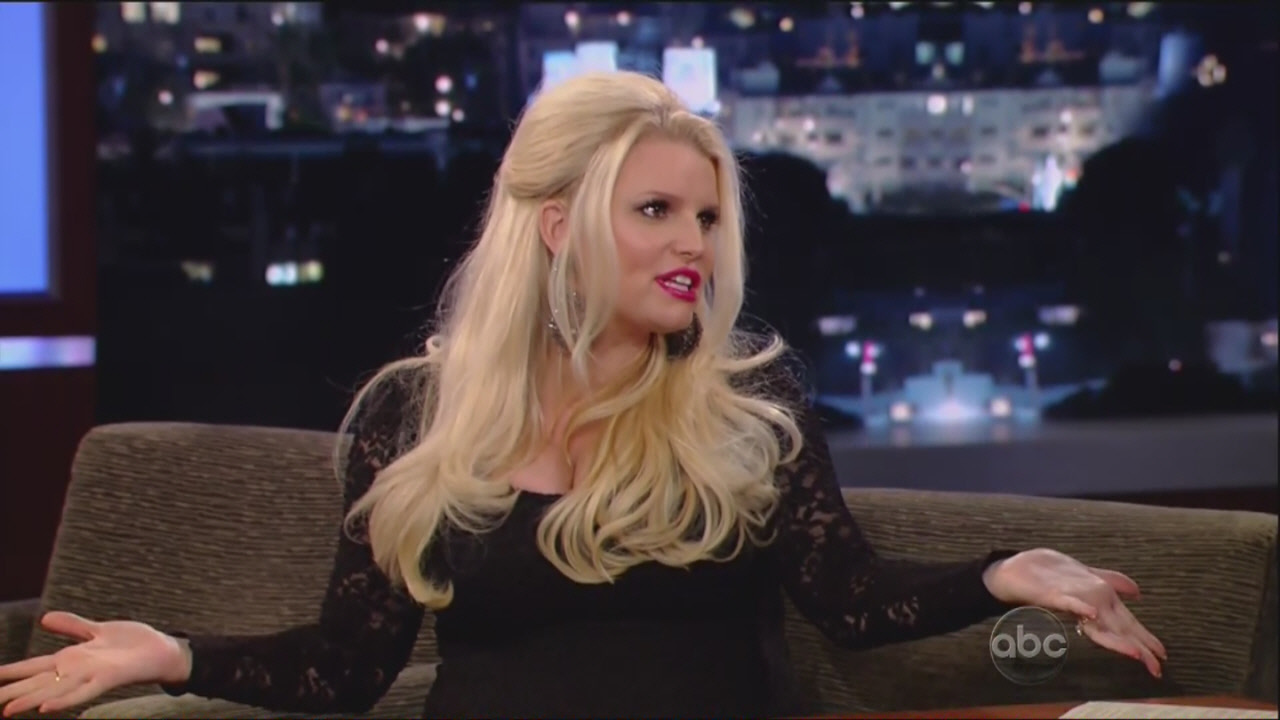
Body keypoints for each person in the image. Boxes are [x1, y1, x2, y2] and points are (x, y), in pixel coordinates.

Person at [0, 72, 1166, 718]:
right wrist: (173, 655)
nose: (693, 243)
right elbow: (346, 667)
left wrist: (1001, 573)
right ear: (557, 226)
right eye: (654, 210)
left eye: (704, 215)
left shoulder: (746, 410)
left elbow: (849, 602)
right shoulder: (416, 419)